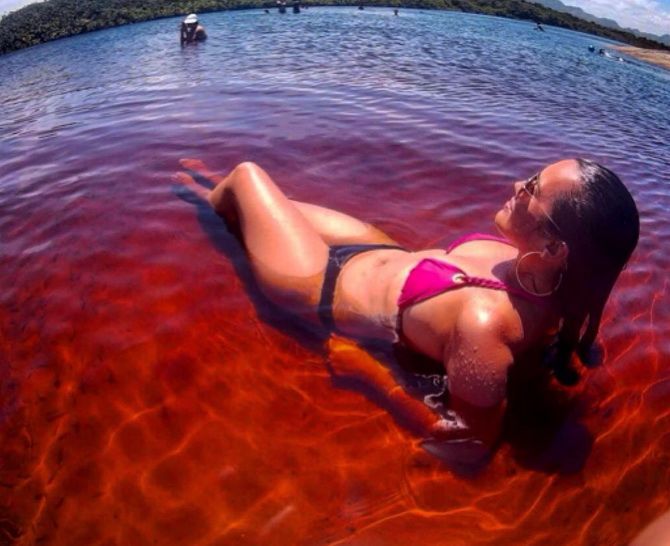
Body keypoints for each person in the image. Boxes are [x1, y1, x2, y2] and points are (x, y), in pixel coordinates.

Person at [173, 158, 639, 467]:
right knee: (266, 207)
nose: (517, 185)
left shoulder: (485, 324)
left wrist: (370, 375)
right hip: (375, 249)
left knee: (247, 178)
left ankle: (195, 199)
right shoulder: (541, 278)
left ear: (556, 248)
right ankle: (215, 198)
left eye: (533, 189)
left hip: (320, 285)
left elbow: (470, 444)